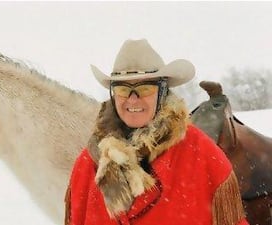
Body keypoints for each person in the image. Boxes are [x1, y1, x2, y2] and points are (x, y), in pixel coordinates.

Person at [64, 39, 248, 225]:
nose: (133, 99)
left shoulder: (203, 155)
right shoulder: (88, 163)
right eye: (122, 88)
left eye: (144, 88)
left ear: (162, 92)